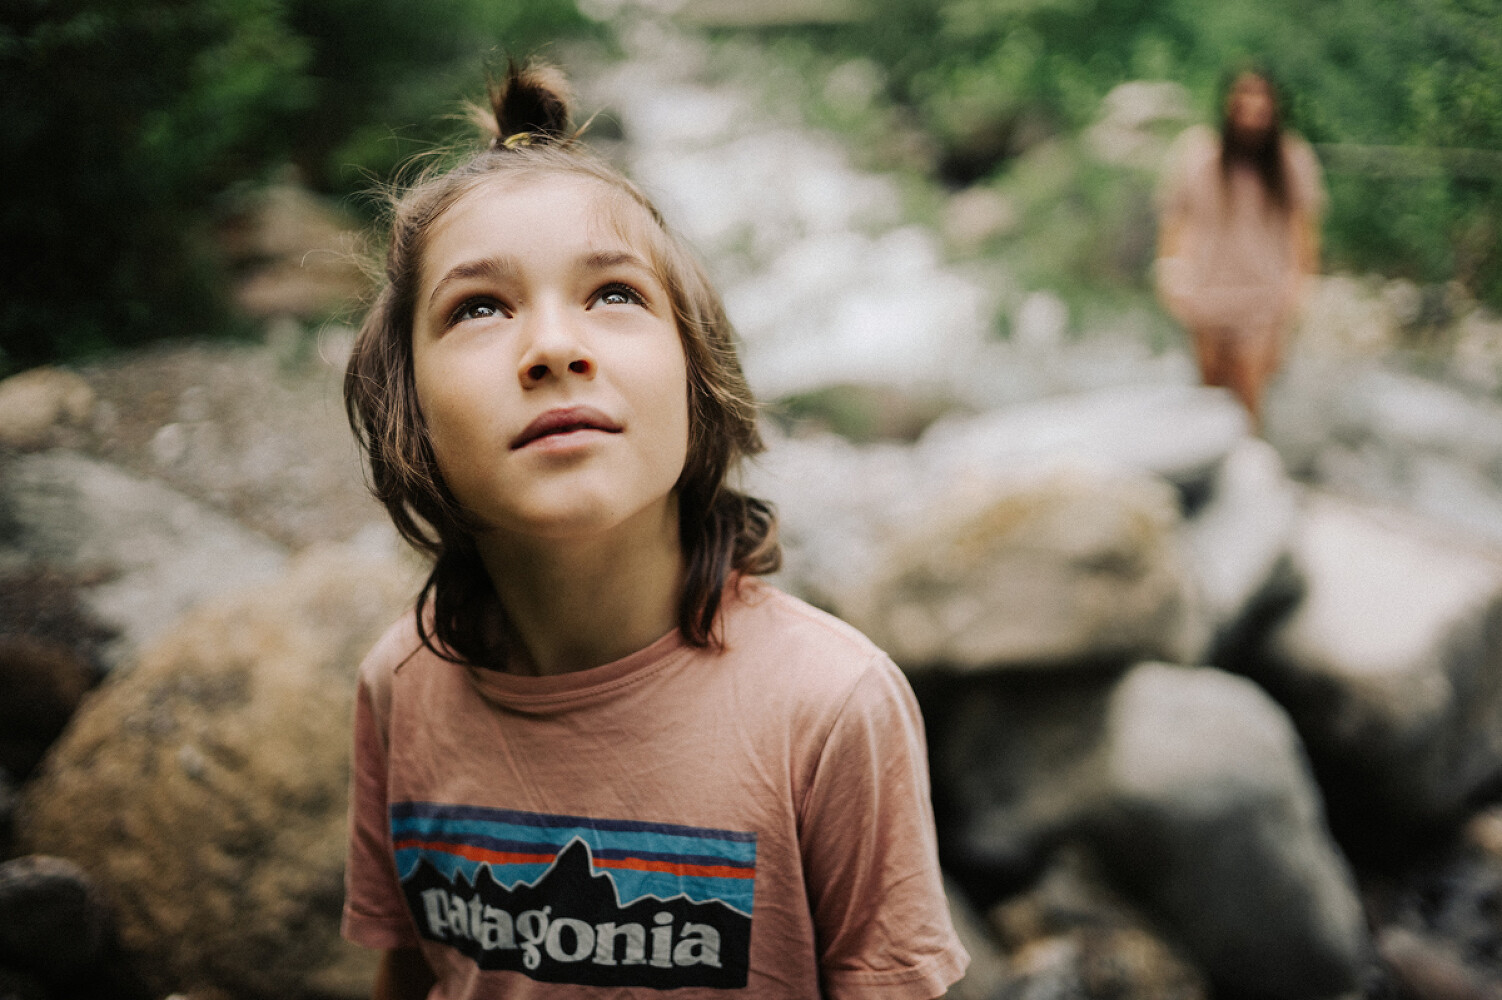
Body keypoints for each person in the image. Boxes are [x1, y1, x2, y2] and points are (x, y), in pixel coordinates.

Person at [339, 62, 969, 1000]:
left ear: (696, 375)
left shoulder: (831, 710)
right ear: (407, 412)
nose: (555, 346)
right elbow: (413, 974)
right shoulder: (402, 687)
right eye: (479, 308)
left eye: (615, 295)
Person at [1155, 66, 1325, 432]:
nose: (1252, 109)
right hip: (1207, 292)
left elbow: (1304, 229)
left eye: (1261, 99)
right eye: (1244, 97)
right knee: (1211, 393)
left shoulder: (1291, 158)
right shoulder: (1198, 154)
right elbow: (1175, 218)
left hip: (1263, 297)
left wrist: (1300, 285)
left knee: (1250, 389)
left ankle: (1252, 470)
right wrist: (1170, 272)